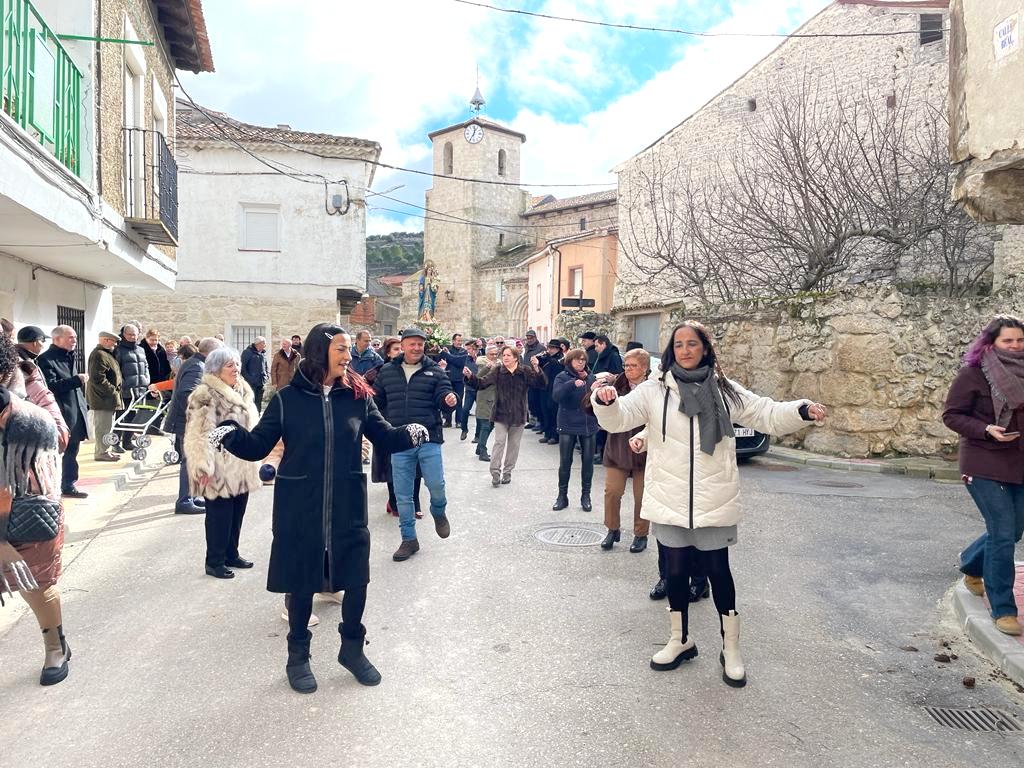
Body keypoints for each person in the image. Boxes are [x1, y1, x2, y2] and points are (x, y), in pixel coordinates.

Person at [592, 321, 826, 687]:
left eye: (693, 344)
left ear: (705, 348)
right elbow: (620, 417)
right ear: (671, 350)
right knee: (674, 573)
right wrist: (604, 401)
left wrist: (801, 410)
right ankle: (680, 639)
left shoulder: (724, 391)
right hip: (669, 498)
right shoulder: (655, 391)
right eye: (679, 344)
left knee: (719, 573)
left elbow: (765, 413)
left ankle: (730, 648)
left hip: (714, 498)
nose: (685, 350)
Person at [214, 323, 424, 692]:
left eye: (348, 349)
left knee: (357, 576)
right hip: (300, 503)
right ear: (319, 351)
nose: (348, 356)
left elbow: (385, 436)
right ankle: (297, 656)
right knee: (302, 579)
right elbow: (257, 444)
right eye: (341, 349)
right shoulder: (287, 400)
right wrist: (229, 434)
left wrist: (409, 432)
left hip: (347, 501)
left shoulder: (358, 396)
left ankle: (352, 649)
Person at [943, 315, 1024, 637]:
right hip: (983, 460)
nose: (1016, 346)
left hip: (1020, 463)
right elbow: (952, 415)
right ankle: (1003, 608)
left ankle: (972, 563)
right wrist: (986, 429)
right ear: (991, 343)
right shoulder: (973, 374)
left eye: (1020, 340)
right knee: (1003, 531)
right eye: (1008, 341)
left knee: (1013, 531)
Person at [0, 334, 72, 685]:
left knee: (37, 584)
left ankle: (54, 644)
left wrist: (18, 415)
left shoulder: (29, 380)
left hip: (28, 502)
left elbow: (60, 434)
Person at [372, 327, 457, 562]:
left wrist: (449, 400)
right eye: (412, 344)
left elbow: (445, 396)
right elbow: (375, 401)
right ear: (403, 345)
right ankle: (409, 539)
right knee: (403, 494)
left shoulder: (435, 372)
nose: (417, 348)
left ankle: (438, 512)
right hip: (399, 440)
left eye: (420, 344)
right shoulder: (388, 371)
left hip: (429, 437)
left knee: (436, 485)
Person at [183, 347, 261, 579]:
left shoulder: (243, 390)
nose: (236, 369)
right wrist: (201, 466)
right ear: (216, 371)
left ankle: (231, 553)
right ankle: (214, 561)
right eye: (230, 365)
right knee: (219, 515)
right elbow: (197, 433)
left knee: (237, 511)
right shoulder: (204, 394)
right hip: (217, 463)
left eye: (237, 364)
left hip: (241, 462)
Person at [588, 348, 651, 550]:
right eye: (626, 365)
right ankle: (612, 529)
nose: (628, 370)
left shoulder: (654, 388)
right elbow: (589, 408)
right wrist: (595, 393)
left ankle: (641, 534)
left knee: (642, 496)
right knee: (612, 492)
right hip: (617, 447)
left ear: (645, 368)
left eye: (633, 366)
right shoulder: (616, 382)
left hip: (645, 450)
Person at [464, 346, 547, 487]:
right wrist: (470, 376)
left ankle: (507, 472)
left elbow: (541, 384)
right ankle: (495, 472)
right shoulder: (498, 371)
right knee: (499, 442)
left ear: (516, 357)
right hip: (500, 414)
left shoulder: (525, 371)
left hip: (518, 414)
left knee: (514, 446)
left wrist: (537, 368)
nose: (505, 357)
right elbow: (481, 383)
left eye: (509, 355)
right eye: (504, 355)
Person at [366, 337, 423, 519]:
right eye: (396, 349)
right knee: (390, 464)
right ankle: (393, 500)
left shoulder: (416, 368)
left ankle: (415, 501)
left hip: (412, 420)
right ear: (388, 353)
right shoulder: (378, 372)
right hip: (387, 422)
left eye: (401, 348)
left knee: (415, 464)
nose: (400, 351)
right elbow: (366, 391)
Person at [165, 337, 220, 515]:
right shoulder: (197, 367)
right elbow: (185, 394)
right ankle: (184, 501)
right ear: (210, 353)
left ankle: (192, 496)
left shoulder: (196, 364)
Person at [36, 326, 89, 499]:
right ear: (57, 339)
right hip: (61, 412)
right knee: (60, 450)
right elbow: (51, 387)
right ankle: (59, 485)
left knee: (73, 449)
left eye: (75, 338)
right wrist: (77, 380)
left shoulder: (69, 356)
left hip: (76, 410)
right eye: (70, 338)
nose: (74, 341)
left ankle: (68, 483)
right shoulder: (46, 359)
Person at [551, 348, 597, 511]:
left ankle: (586, 496)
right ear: (570, 361)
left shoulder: (591, 377)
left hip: (588, 424)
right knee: (565, 462)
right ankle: (562, 496)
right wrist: (572, 384)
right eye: (577, 360)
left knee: (588, 462)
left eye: (583, 360)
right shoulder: (562, 377)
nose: (581, 362)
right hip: (567, 423)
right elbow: (556, 396)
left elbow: (597, 400)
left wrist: (597, 387)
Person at [86, 331, 123, 462]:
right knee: (102, 427)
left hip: (106, 398)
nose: (115, 343)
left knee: (107, 426)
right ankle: (101, 452)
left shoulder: (105, 354)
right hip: (103, 398)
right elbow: (97, 378)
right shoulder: (99, 355)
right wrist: (112, 391)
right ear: (106, 340)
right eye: (113, 341)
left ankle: (104, 451)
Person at [113, 324, 150, 452]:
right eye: (130, 334)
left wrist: (147, 380)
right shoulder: (118, 350)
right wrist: (122, 384)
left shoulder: (141, 349)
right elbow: (116, 370)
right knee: (121, 416)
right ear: (124, 335)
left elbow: (145, 366)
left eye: (135, 334)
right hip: (125, 390)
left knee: (132, 417)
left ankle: (127, 441)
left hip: (139, 389)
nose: (133, 337)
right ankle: (115, 443)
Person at [473, 345, 500, 461]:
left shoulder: (500, 364)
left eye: (495, 354)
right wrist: (487, 368)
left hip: (495, 398)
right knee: (485, 425)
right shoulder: (482, 364)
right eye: (491, 354)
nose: (494, 356)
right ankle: (483, 450)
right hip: (485, 398)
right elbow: (476, 379)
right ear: (487, 354)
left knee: (491, 424)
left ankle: (479, 447)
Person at [537, 340, 564, 444]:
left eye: (552, 348)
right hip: (545, 387)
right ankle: (547, 433)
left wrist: (547, 357)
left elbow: (557, 366)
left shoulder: (560, 358)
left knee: (553, 411)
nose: (550, 350)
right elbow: (540, 364)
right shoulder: (547, 357)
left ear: (558, 349)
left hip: (555, 387)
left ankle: (554, 435)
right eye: (549, 347)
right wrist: (538, 359)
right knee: (545, 411)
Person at [440, 333, 469, 429]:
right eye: (458, 340)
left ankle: (459, 421)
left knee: (459, 400)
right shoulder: (447, 349)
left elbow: (458, 362)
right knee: (447, 399)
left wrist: (447, 355)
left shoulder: (464, 352)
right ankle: (448, 421)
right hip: (448, 378)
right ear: (453, 341)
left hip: (459, 380)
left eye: (461, 341)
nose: (459, 342)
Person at [458, 338, 481, 441]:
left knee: (479, 412)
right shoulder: (466, 358)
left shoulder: (482, 357)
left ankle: (477, 435)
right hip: (469, 389)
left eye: (469, 349)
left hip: (480, 388)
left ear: (474, 349)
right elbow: (453, 358)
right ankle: (464, 429)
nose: (468, 351)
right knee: (465, 410)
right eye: (467, 349)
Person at [241, 337, 270, 414]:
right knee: (250, 401)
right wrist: (250, 379)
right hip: (251, 384)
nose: (265, 345)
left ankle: (257, 418)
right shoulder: (247, 352)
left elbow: (266, 367)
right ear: (258, 343)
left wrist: (266, 377)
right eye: (264, 343)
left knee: (258, 402)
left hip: (261, 383)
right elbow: (242, 368)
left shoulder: (263, 354)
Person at [522, 330, 544, 428]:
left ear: (535, 337)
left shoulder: (541, 348)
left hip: (536, 377)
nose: (529, 340)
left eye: (531, 338)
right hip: (526, 377)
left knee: (536, 400)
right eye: (528, 338)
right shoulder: (526, 347)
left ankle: (539, 421)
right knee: (529, 400)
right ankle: (532, 421)